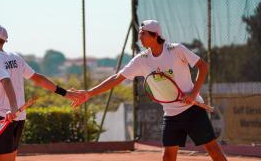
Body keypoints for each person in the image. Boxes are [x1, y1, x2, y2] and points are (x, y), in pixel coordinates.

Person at [72, 20, 227, 161]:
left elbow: (203, 66)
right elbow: (117, 78)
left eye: (143, 34)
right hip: (171, 115)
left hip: (193, 109)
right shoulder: (141, 60)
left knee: (213, 150)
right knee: (168, 156)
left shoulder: (176, 50)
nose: (140, 37)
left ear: (155, 35)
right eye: (139, 34)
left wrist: (193, 94)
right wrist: (89, 93)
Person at [0, 25, 82, 161]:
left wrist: (13, 107)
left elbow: (6, 81)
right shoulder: (15, 57)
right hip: (19, 117)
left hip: (3, 116)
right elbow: (37, 77)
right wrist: (64, 93)